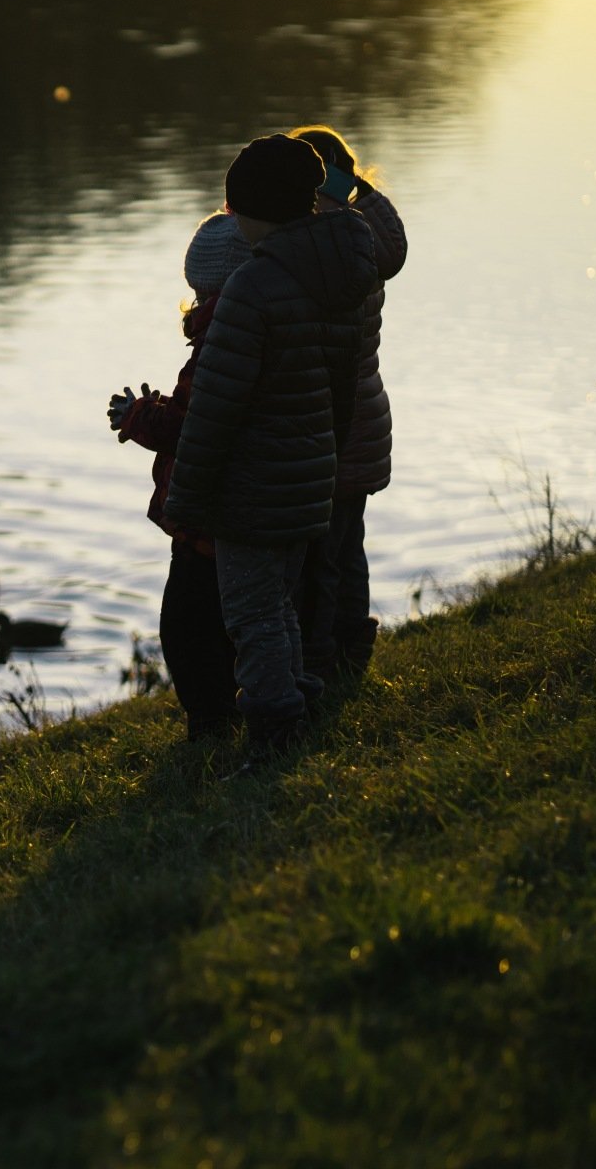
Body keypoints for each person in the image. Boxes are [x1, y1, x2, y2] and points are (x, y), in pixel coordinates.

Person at [162, 134, 381, 761]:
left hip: (253, 485)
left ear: (254, 212)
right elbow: (343, 386)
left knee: (255, 613)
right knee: (286, 605)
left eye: (241, 216)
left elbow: (215, 411)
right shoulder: (342, 272)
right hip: (314, 473)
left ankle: (275, 732)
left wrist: (189, 497)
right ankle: (302, 696)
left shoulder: (252, 289)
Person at [107, 212, 250, 740]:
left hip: (207, 518)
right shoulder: (246, 328)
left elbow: (196, 428)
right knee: (229, 623)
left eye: (198, 289)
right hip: (228, 513)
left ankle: (212, 728)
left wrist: (140, 417)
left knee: (189, 631)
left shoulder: (222, 338)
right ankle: (225, 717)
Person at [285, 124, 408, 682]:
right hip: (365, 417)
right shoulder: (364, 245)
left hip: (331, 425)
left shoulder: (324, 251)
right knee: (345, 547)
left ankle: (323, 659)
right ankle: (349, 652)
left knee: (320, 556)